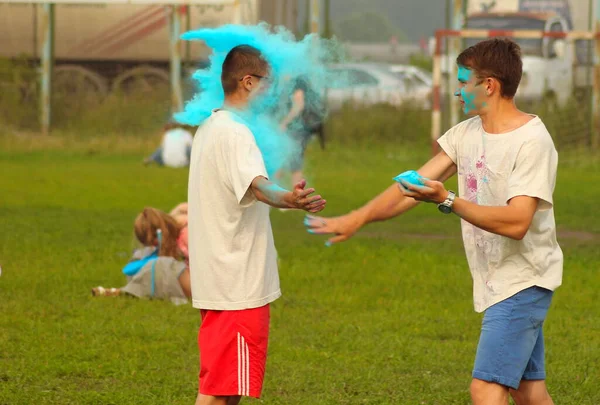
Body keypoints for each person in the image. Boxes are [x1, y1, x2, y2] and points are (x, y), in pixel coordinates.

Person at [306, 38, 562, 405]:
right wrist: (356, 218)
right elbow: (408, 187)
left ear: (488, 85)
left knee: (486, 389)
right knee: (528, 389)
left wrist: (448, 200)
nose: (458, 92)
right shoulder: (464, 135)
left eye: (463, 82)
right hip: (500, 279)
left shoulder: (531, 141)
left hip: (523, 280)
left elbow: (518, 221)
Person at [187, 45, 326, 405]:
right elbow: (258, 186)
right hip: (236, 283)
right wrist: (290, 199)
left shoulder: (210, 127)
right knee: (218, 392)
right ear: (247, 82)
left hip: (221, 277)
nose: (273, 92)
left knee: (228, 387)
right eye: (268, 83)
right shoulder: (235, 134)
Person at [92, 206, 191, 302]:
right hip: (192, 279)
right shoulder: (177, 236)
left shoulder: (186, 235)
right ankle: (126, 291)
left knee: (162, 264)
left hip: (198, 282)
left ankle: (124, 292)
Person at [277, 75, 326, 186]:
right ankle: (274, 191)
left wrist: (285, 122)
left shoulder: (297, 80)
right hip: (301, 128)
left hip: (300, 128)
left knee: (294, 162)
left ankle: (297, 195)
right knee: (285, 159)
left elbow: (299, 105)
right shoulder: (298, 78)